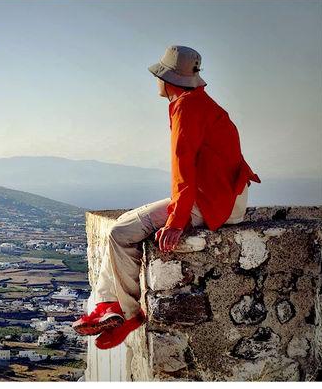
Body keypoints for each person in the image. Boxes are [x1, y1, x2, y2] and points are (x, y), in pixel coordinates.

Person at [72, 45, 261, 350]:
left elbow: (183, 170)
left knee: (121, 233)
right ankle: (107, 305)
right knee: (124, 222)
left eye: (159, 76)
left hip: (212, 203)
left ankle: (127, 314)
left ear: (168, 79)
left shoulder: (186, 107)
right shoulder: (201, 103)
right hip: (225, 196)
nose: (157, 81)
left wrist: (175, 221)